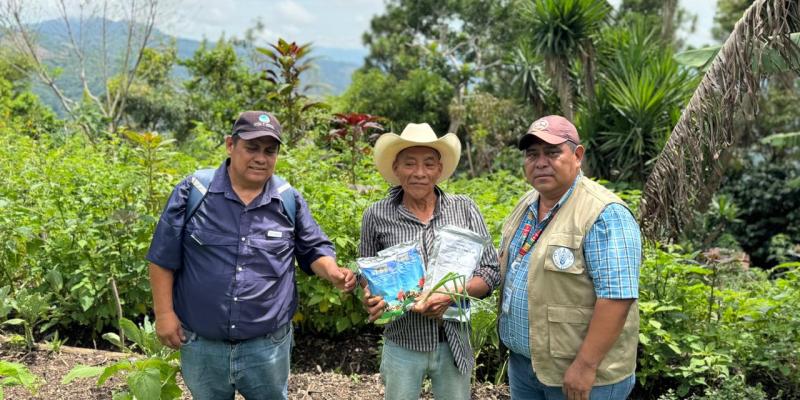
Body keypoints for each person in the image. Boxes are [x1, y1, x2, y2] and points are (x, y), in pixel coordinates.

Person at [146, 111, 356, 400]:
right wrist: (165, 314)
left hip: (267, 345)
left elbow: (313, 249)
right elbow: (162, 257)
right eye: (252, 148)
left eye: (270, 151)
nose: (261, 158)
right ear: (230, 145)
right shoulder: (193, 192)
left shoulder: (287, 199)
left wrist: (332, 271)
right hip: (202, 343)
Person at [498, 115, 641, 400]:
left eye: (552, 153)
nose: (540, 162)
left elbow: (617, 297)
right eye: (532, 154)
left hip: (583, 377)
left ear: (577, 156)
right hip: (527, 366)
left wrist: (585, 366)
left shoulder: (604, 213)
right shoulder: (527, 204)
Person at [360, 123, 500, 400]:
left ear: (439, 169)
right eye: (409, 163)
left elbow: (491, 271)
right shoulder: (376, 215)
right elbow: (366, 272)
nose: (419, 173)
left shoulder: (465, 209)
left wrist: (452, 293)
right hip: (403, 341)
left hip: (453, 342)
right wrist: (369, 293)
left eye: (428, 163)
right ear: (396, 168)